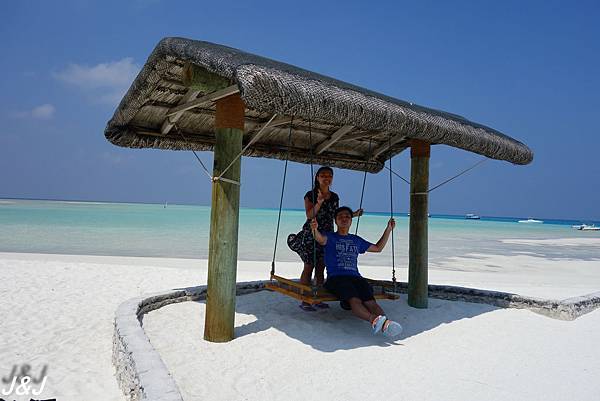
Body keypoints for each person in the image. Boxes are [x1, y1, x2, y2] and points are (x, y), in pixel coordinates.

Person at [310, 206, 403, 338]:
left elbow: (378, 248)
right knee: (355, 300)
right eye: (340, 216)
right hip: (336, 278)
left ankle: (385, 322)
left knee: (371, 302)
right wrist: (314, 228)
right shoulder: (329, 237)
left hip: (356, 277)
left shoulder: (356, 240)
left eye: (347, 216)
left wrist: (388, 229)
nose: (344, 218)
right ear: (335, 221)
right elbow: (318, 237)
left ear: (351, 221)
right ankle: (374, 320)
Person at [287, 166, 362, 311]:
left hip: (328, 235)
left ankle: (318, 298)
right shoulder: (310, 194)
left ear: (332, 178)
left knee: (321, 266)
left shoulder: (334, 197)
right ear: (317, 177)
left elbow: (337, 214)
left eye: (329, 175)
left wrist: (353, 214)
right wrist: (319, 202)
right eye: (323, 175)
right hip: (312, 233)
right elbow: (309, 215)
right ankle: (305, 299)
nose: (326, 178)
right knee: (309, 266)